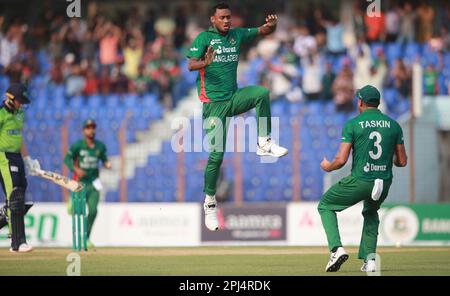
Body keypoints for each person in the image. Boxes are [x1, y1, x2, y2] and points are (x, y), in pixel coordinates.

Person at [186, 3, 288, 231]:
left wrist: (271, 26)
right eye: (221, 17)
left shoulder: (236, 35)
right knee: (216, 156)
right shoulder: (203, 39)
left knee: (261, 93)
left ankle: (264, 142)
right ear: (213, 19)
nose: (226, 21)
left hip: (233, 97)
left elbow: (262, 31)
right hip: (213, 106)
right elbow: (191, 65)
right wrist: (206, 62)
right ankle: (210, 203)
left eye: (228, 17)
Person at [318, 85, 407, 272]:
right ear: (378, 103)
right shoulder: (394, 125)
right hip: (383, 181)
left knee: (325, 205)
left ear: (360, 102)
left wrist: (327, 166)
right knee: (371, 213)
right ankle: (371, 260)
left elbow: (341, 160)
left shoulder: (353, 124)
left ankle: (336, 249)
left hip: (361, 180)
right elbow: (402, 161)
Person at [0, 83, 41, 252]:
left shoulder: (20, 113)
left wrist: (28, 159)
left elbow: (19, 138)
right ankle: (17, 243)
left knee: (21, 190)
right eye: (20, 101)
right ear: (10, 99)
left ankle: (4, 216)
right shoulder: (1, 113)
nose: (22, 104)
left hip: (17, 157)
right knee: (14, 195)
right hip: (3, 156)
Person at [64, 119, 111, 248]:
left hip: (94, 183)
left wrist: (107, 163)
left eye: (93, 127)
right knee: (78, 211)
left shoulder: (100, 146)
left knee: (93, 211)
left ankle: (86, 238)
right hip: (80, 183)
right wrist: (76, 169)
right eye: (88, 127)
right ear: (84, 130)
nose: (91, 130)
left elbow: (104, 159)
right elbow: (67, 159)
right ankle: (71, 200)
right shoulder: (77, 145)